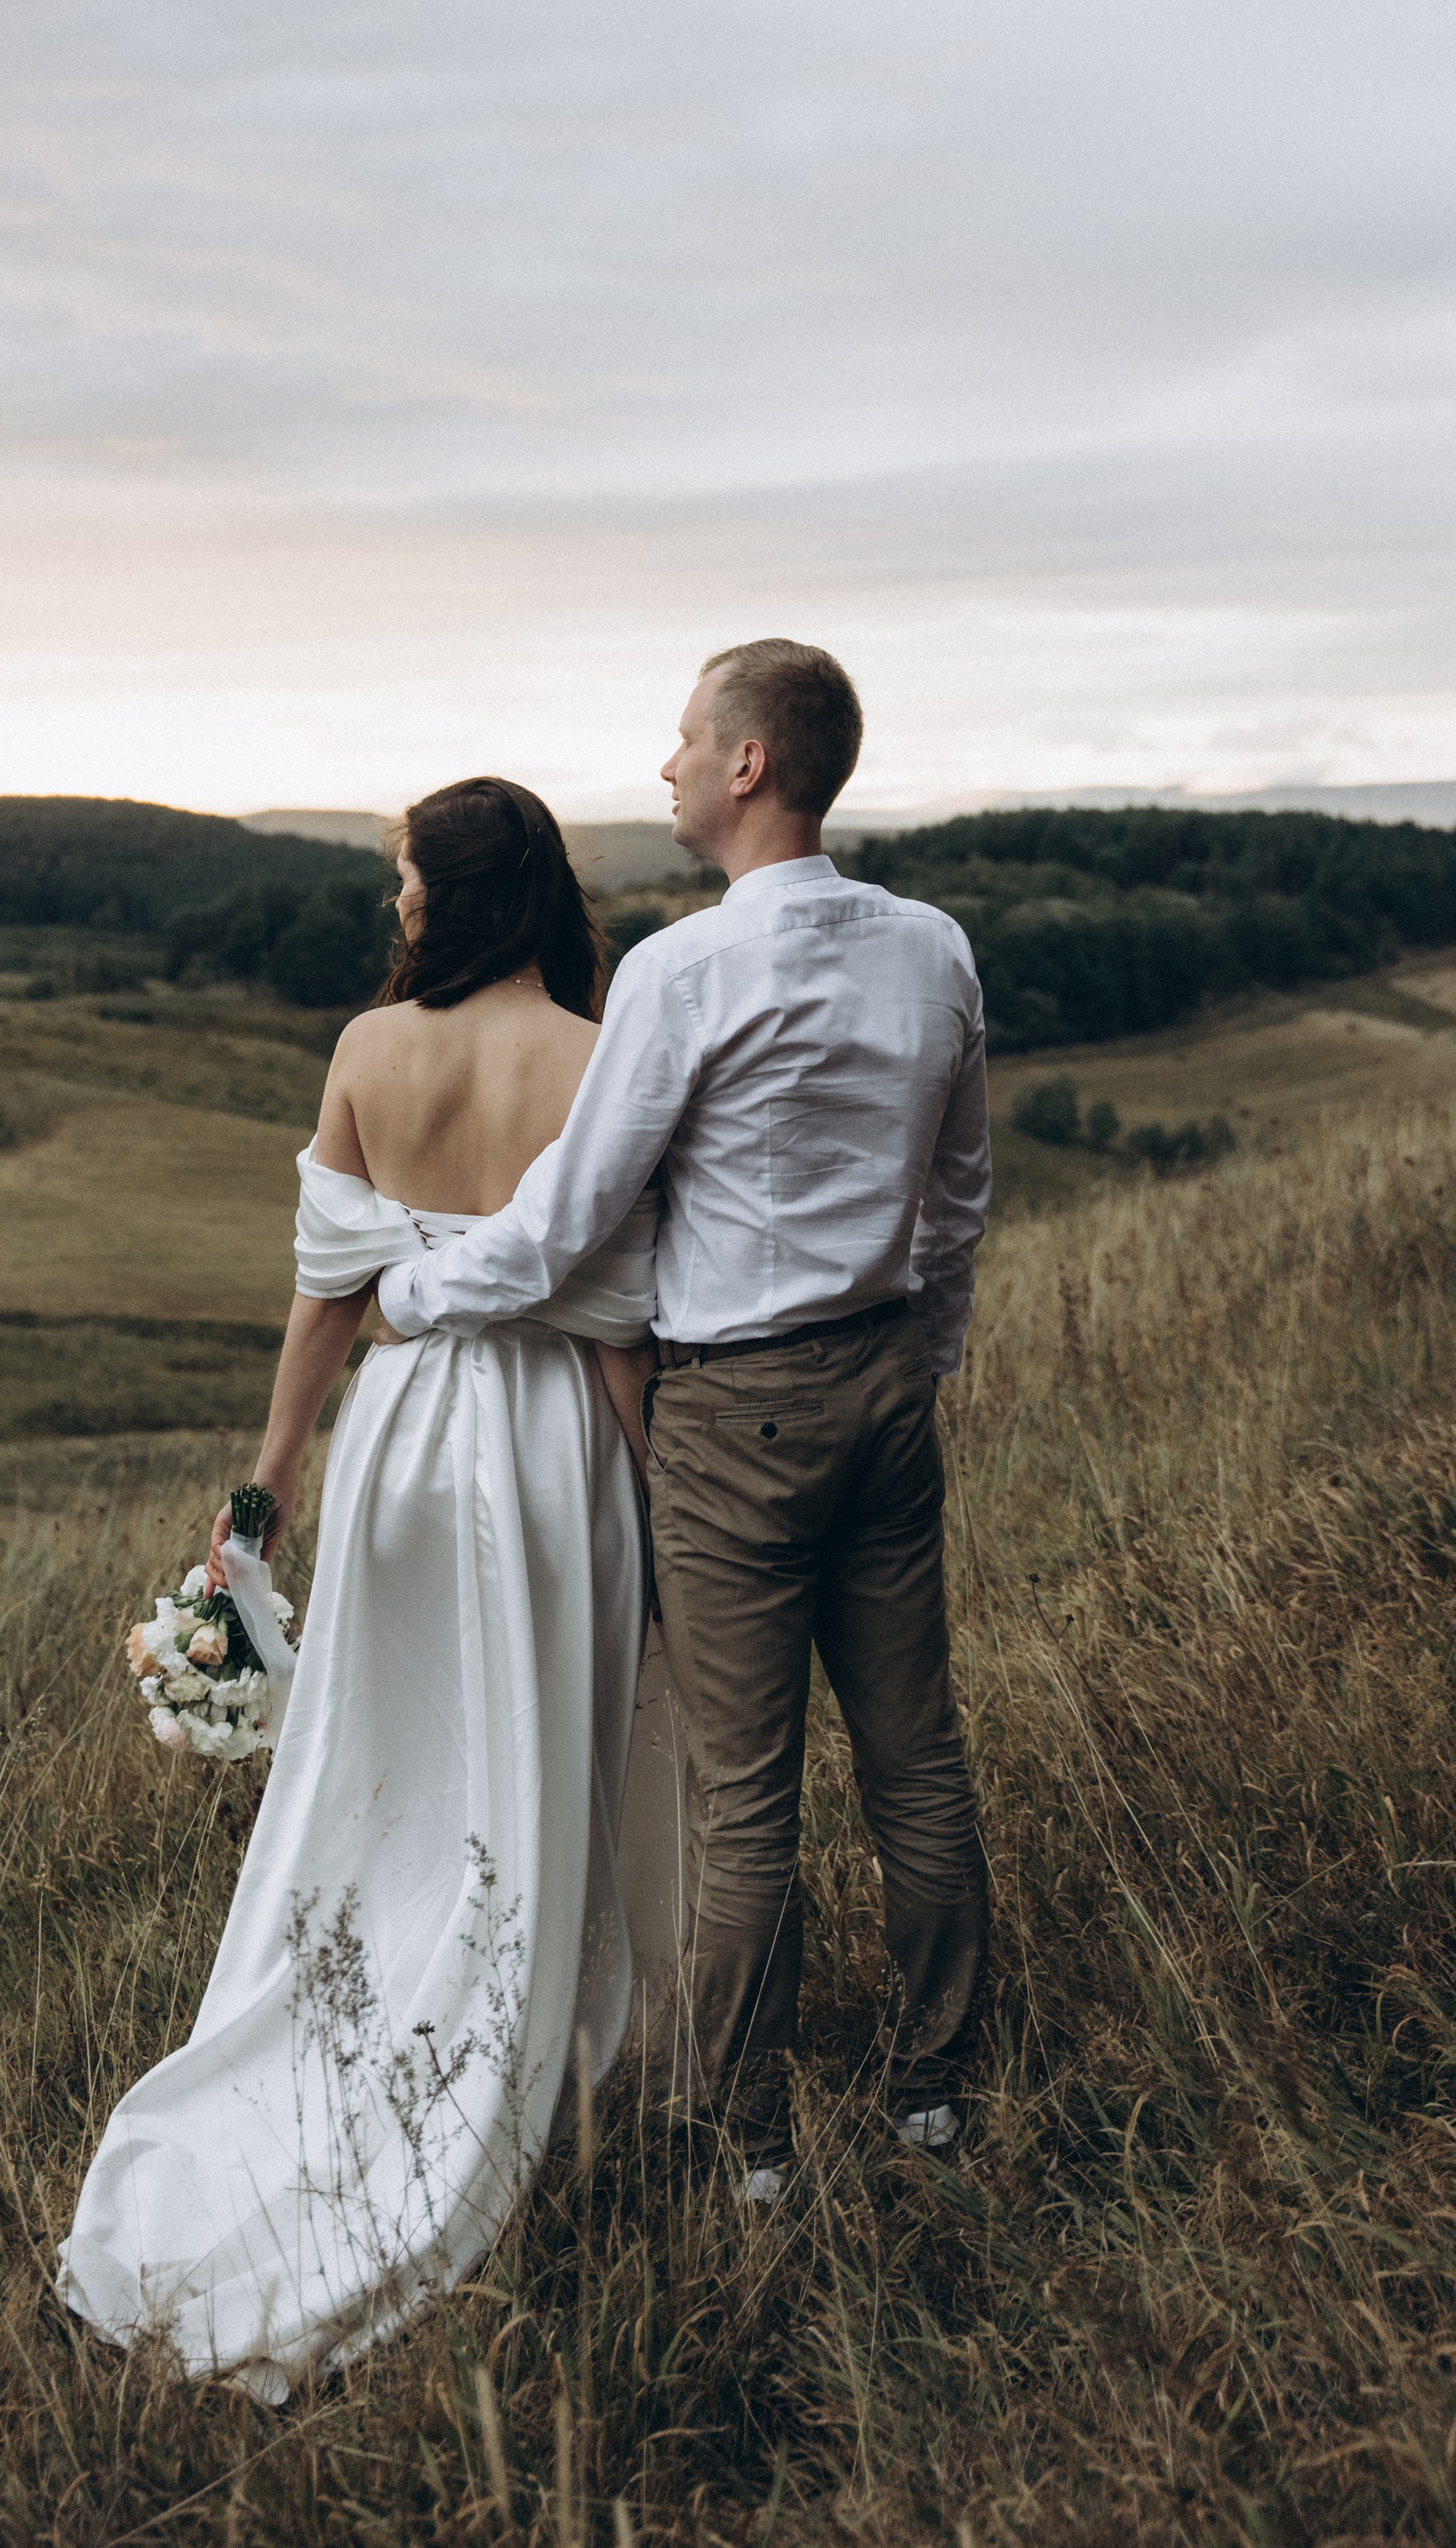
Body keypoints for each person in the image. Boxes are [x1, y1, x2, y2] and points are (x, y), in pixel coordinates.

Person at [58, 778, 661, 2399]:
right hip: (545, 1446)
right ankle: (526, 2039)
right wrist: (658, 1502)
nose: (396, 901)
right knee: (546, 1742)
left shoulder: (365, 1053)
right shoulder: (597, 1062)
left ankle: (348, 2014)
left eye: (406, 877)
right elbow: (616, 1323)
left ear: (452, 895)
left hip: (402, 1445)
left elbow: (327, 1299)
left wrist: (266, 1486)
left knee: (387, 1758)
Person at [372, 640, 991, 2195]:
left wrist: (419, 1297)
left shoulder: (681, 970)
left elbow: (572, 1216)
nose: (661, 766)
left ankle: (750, 2136)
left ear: (748, 765)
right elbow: (959, 1192)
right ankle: (932, 2090)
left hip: (734, 1414)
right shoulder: (935, 949)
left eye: (680, 739)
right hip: (884, 1385)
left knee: (742, 1791)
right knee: (915, 1755)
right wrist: (926, 1348)